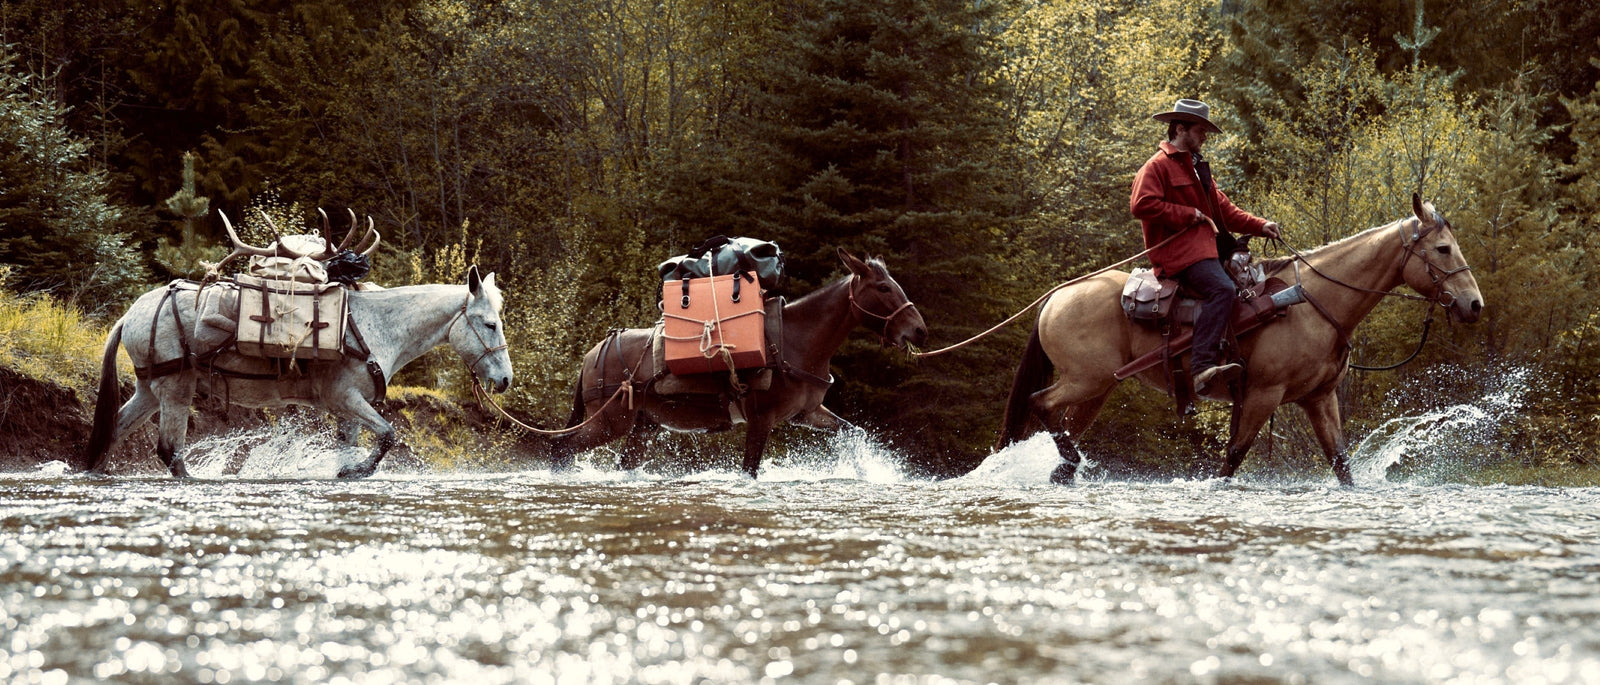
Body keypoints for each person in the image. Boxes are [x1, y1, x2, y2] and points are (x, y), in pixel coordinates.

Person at [1130, 98, 1280, 396]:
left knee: (1247, 282)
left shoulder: (1197, 168)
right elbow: (1141, 205)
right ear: (1180, 129)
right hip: (1178, 256)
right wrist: (1188, 214)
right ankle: (1201, 366)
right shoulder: (1156, 166)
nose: (1205, 137)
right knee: (1222, 289)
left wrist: (1261, 225)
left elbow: (1225, 211)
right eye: (1200, 130)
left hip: (1204, 253)